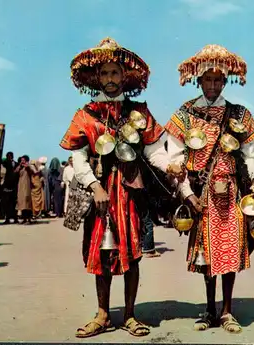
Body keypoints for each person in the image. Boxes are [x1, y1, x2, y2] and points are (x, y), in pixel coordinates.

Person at [59, 37, 181, 338]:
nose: (110, 79)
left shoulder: (138, 113)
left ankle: (129, 314)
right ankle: (102, 314)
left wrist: (171, 166)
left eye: (115, 73)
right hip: (100, 194)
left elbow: (153, 151)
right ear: (96, 77)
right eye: (105, 74)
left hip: (130, 192)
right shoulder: (86, 115)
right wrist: (94, 187)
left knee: (133, 252)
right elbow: (78, 157)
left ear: (124, 77)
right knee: (101, 252)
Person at [164, 44, 254, 334]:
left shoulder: (239, 114)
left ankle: (227, 310)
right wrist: (187, 193)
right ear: (199, 80)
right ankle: (209, 309)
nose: (212, 85)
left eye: (218, 79)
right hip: (201, 192)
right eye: (207, 79)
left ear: (225, 81)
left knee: (230, 249)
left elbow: (249, 154)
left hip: (231, 192)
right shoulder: (185, 114)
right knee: (205, 253)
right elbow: (175, 159)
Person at [15, 155, 33, 224]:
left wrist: (26, 166)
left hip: (26, 187)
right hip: (20, 187)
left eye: (23, 160)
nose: (22, 161)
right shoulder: (20, 167)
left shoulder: (28, 166)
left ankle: (28, 219)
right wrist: (20, 165)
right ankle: (24, 218)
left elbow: (31, 171)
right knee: (22, 203)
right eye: (21, 160)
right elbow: (15, 171)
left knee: (27, 203)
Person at [1, 152, 18, 224]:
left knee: (10, 203)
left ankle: (11, 218)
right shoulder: (11, 163)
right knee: (10, 203)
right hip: (10, 186)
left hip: (9, 186)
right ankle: (10, 218)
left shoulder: (8, 163)